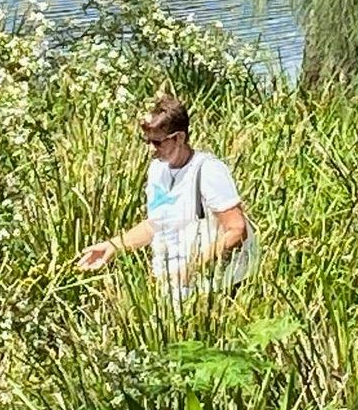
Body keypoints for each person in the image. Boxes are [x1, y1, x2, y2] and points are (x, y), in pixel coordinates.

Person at [76, 92, 255, 294]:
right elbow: (156, 223)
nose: (151, 149)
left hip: (215, 287)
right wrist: (114, 246)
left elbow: (237, 229)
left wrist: (192, 268)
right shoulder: (157, 170)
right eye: (148, 141)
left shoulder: (208, 170)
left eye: (158, 142)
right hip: (174, 285)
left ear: (179, 137)